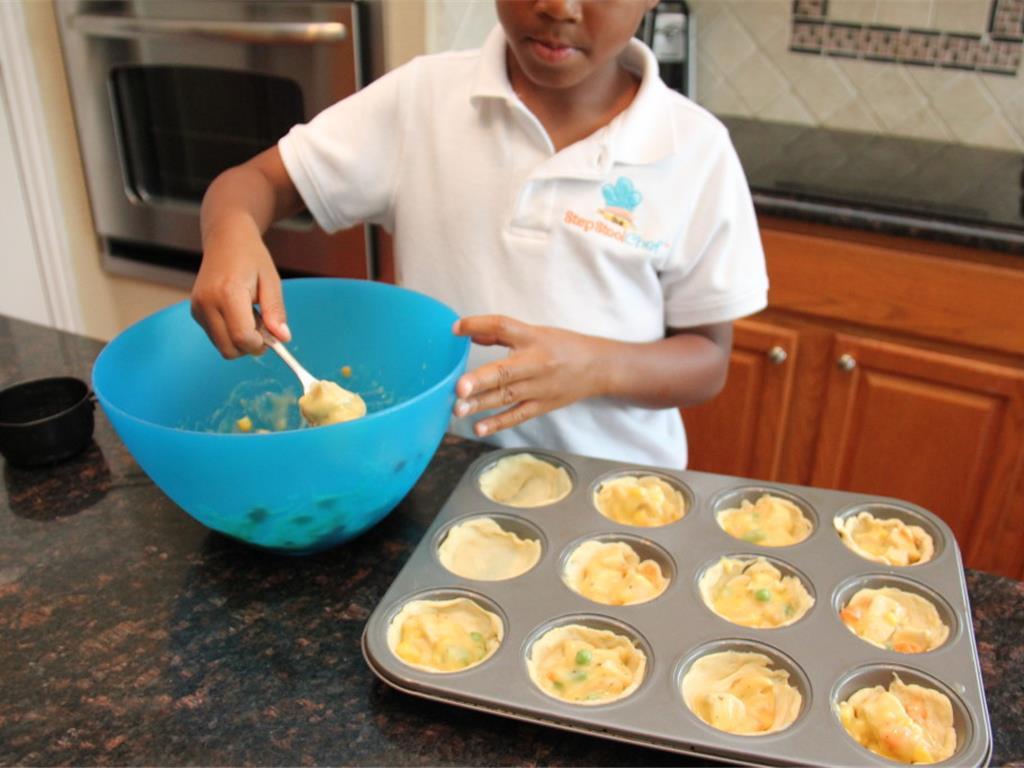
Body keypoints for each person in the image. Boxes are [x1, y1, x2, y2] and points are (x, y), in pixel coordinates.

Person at [191, 0, 768, 469]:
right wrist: (231, 232)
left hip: (614, 491)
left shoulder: (694, 150)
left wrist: (595, 366)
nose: (558, 7)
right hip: (443, 470)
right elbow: (253, 183)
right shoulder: (423, 99)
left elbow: (707, 359)